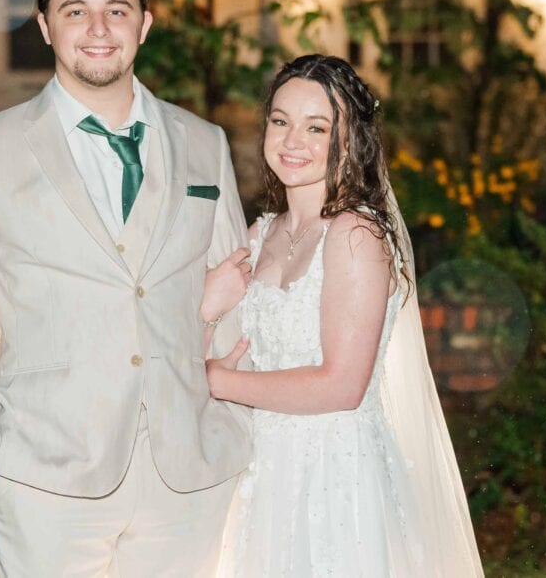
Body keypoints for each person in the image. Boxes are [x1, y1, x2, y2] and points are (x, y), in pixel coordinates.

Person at [0, 0, 251, 577]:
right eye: (75, 10)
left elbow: (233, 290)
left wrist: (234, 422)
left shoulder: (204, 143)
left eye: (116, 9)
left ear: (144, 25)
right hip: (46, 472)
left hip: (191, 476)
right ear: (45, 27)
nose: (98, 30)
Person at [201, 54, 484, 576]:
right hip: (260, 475)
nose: (292, 141)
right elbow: (210, 341)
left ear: (347, 140)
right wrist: (206, 309)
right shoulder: (260, 234)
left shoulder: (356, 234)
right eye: (280, 121)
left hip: (334, 477)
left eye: (316, 127)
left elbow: (342, 385)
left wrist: (219, 382)